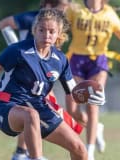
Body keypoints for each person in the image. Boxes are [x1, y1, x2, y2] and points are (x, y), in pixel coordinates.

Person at [0, 8, 105, 160]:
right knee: (31, 115)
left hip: (39, 108)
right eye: (42, 30)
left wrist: (91, 96)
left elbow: (74, 91)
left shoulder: (61, 60)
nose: (46, 35)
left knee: (80, 149)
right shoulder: (19, 50)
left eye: (51, 31)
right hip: (7, 106)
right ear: (34, 30)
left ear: (59, 34)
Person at [0, 1, 71, 159]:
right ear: (48, 5)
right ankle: (24, 152)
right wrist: (14, 45)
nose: (65, 10)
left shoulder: (59, 23)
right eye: (62, 6)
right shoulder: (31, 17)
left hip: (45, 71)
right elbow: (3, 24)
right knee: (30, 110)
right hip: (26, 72)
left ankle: (23, 152)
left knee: (41, 110)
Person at [65, 0, 120, 160]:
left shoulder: (109, 13)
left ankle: (89, 152)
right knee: (72, 110)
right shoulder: (75, 9)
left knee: (92, 105)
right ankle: (96, 128)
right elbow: (60, 29)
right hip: (76, 60)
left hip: (98, 61)